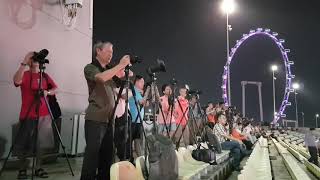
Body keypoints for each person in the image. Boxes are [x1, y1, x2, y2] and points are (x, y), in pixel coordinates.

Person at [80, 41, 131, 180]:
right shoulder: (90, 68)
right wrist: (120, 65)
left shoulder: (109, 70)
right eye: (108, 51)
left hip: (110, 120)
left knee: (107, 157)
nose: (111, 55)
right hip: (96, 118)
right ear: (98, 51)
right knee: (92, 156)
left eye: (112, 52)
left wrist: (125, 74)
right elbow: (101, 78)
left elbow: (121, 89)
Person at [13, 51, 58, 179]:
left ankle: (38, 168)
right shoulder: (25, 74)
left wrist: (47, 92)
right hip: (27, 114)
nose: (35, 60)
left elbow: (56, 89)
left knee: (41, 144)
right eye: (33, 58)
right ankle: (22, 170)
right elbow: (16, 81)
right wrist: (24, 61)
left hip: (44, 115)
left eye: (36, 58)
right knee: (24, 143)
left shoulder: (45, 76)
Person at [128, 75, 147, 157]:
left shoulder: (138, 92)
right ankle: (130, 159)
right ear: (137, 82)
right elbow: (142, 102)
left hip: (138, 120)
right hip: (133, 120)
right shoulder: (133, 90)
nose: (143, 84)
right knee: (131, 141)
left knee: (137, 140)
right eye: (142, 82)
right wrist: (147, 91)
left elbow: (145, 103)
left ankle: (139, 158)